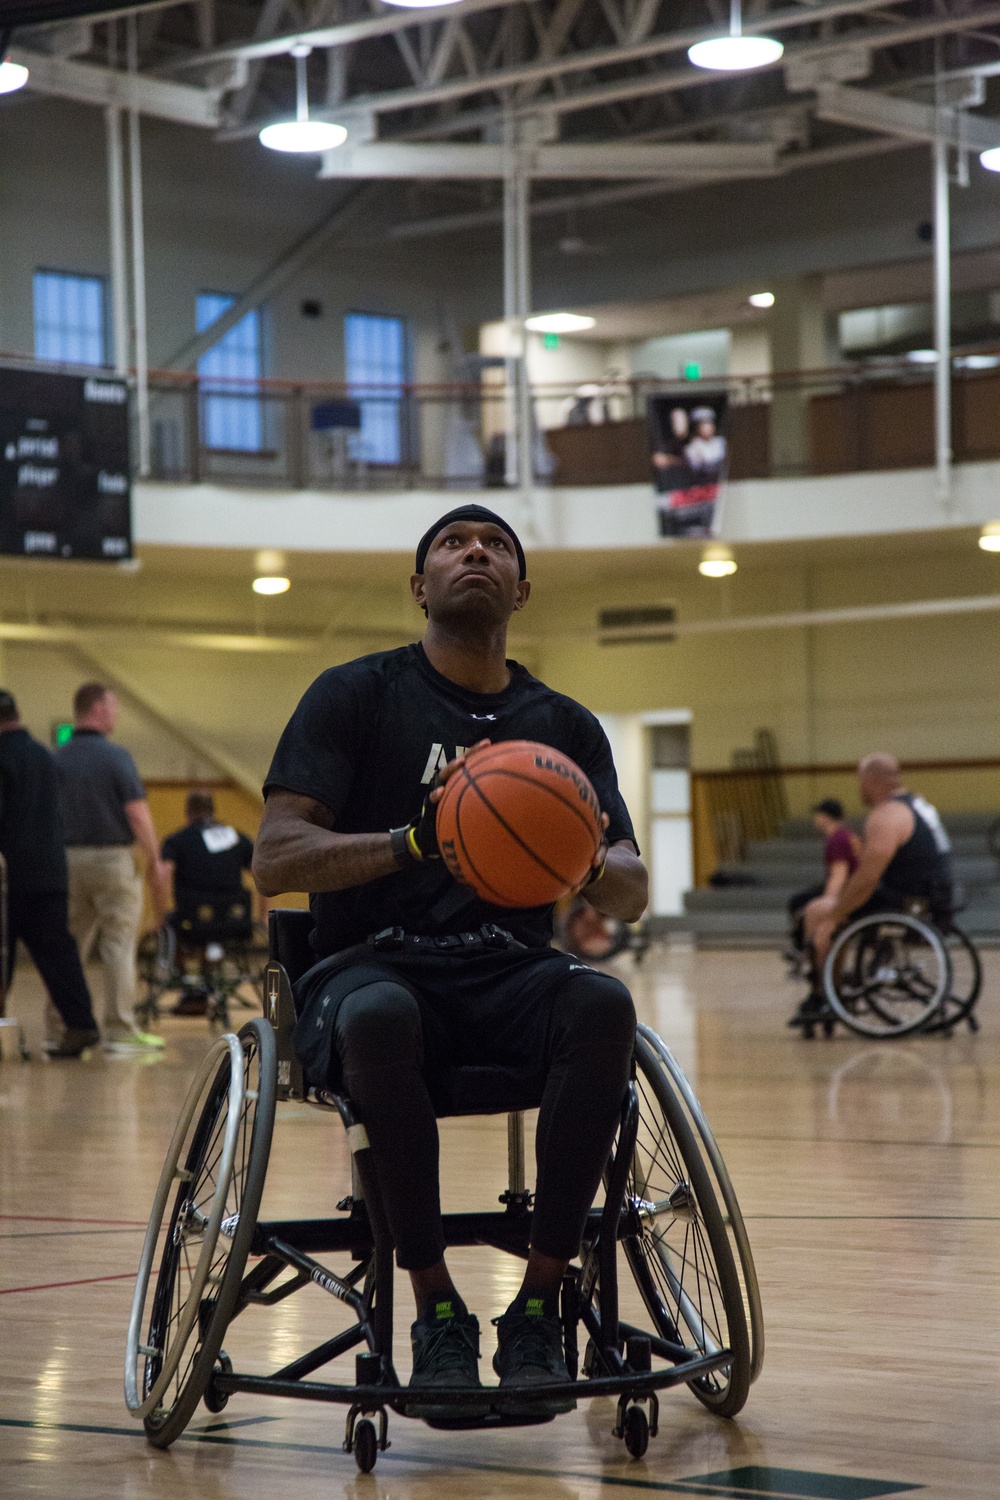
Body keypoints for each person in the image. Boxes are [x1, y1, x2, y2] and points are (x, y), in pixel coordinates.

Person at [253, 503, 647, 1423]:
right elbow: (275, 858)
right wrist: (414, 839)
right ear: (420, 584)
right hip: (366, 963)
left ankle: (542, 1304)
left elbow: (625, 886)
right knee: (382, 1016)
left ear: (520, 586)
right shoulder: (355, 694)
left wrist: (575, 855)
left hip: (509, 968)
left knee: (603, 1005)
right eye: (453, 544)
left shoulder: (562, 724)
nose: (476, 552)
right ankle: (434, 1307)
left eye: (497, 545)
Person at [790, 754, 954, 1027]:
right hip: (933, 896)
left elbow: (867, 878)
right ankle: (830, 991)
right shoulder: (919, 805)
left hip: (906, 900)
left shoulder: (886, 815)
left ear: (871, 780)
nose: (859, 789)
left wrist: (835, 913)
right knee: (831, 909)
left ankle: (825, 995)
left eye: (860, 781)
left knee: (819, 912)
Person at [54, 682, 170, 1054]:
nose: (116, 714)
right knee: (118, 945)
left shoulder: (56, 758)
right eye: (114, 707)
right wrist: (153, 860)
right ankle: (119, 1030)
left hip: (66, 860)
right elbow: (137, 816)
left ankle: (58, 1027)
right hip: (112, 862)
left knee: (68, 948)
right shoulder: (116, 757)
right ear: (98, 709)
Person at [0, 690, 101, 1058]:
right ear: (19, 713)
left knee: (1, 952)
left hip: (8, 877)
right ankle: (81, 1024)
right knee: (58, 952)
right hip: (50, 871)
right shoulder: (45, 755)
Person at [161, 790, 256, 1016]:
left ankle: (192, 990)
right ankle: (210, 977)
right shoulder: (237, 837)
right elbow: (262, 875)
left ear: (188, 812)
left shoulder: (178, 839)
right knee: (214, 933)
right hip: (235, 920)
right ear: (213, 810)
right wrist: (263, 916)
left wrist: (160, 911)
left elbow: (164, 872)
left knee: (173, 925)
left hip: (192, 921)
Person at [786, 799, 860, 956]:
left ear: (826, 817)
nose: (815, 818)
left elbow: (840, 874)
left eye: (818, 814)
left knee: (798, 902)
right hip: (853, 885)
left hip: (846, 889)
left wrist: (828, 900)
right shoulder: (847, 834)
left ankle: (803, 947)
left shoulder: (837, 839)